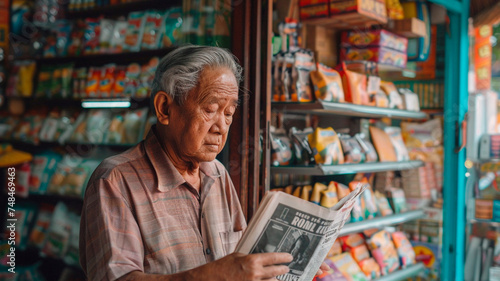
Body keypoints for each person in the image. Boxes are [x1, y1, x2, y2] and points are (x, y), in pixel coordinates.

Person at [79, 45, 328, 281]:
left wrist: (279, 266)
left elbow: (239, 264)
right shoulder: (115, 181)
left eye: (229, 114)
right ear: (165, 109)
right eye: (210, 109)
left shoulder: (217, 174)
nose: (221, 127)